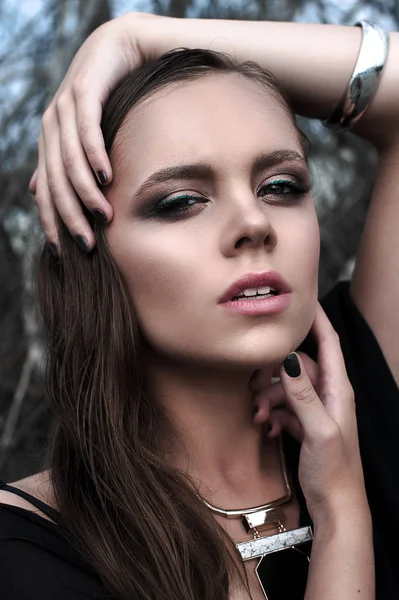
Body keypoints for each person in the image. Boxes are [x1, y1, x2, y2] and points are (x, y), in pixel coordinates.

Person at [1, 12, 398, 600]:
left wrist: (138, 35)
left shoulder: (366, 392)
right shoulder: (28, 550)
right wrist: (341, 517)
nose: (254, 224)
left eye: (280, 186)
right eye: (183, 200)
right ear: (90, 248)